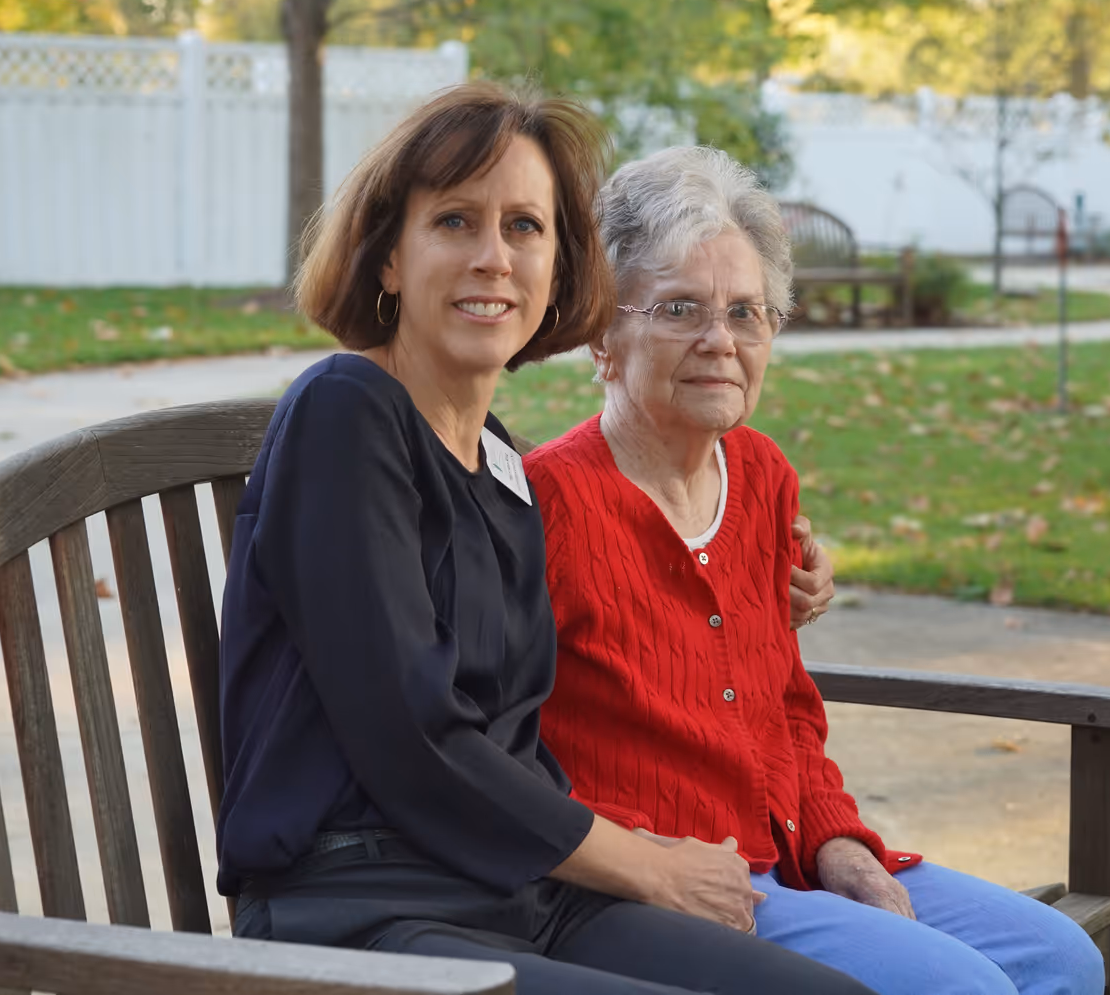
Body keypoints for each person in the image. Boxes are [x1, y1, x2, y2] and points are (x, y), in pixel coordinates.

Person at [215, 83, 875, 995]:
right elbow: (412, 733)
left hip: (518, 891)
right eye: (455, 221)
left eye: (525, 227)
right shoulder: (347, 411)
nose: (494, 258)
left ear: (561, 269)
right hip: (364, 906)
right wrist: (647, 863)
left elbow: (531, 723)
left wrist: (763, 577)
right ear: (390, 257)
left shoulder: (501, 468)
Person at [525, 146, 1106, 995]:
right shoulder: (549, 501)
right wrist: (640, 856)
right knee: (960, 988)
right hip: (668, 887)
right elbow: (503, 743)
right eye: (681, 308)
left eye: (746, 313)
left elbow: (786, 704)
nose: (719, 341)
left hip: (793, 848)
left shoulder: (760, 477)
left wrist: (840, 842)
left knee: (1061, 958)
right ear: (604, 336)